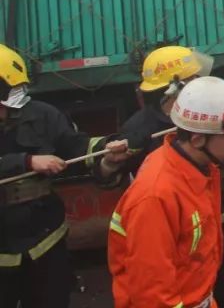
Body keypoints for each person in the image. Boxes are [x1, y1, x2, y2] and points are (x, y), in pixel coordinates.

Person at [104, 45, 224, 308]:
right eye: (193, 79)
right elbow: (153, 290)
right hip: (183, 243)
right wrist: (109, 162)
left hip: (207, 243)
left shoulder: (199, 154)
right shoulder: (155, 189)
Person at [0, 43, 129, 308]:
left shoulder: (42, 115)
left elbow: (75, 147)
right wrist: (27, 162)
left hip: (45, 238)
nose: (10, 110)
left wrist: (106, 152)